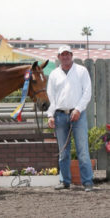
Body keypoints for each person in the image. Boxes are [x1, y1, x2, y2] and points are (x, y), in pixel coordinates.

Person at [47, 45, 93, 192]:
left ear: (72, 55)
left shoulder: (81, 71)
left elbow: (87, 92)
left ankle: (87, 182)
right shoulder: (54, 74)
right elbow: (51, 97)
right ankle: (64, 181)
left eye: (68, 54)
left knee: (83, 150)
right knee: (63, 151)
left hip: (78, 115)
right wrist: (50, 115)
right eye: (62, 54)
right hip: (60, 115)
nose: (65, 57)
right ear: (59, 57)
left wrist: (78, 109)